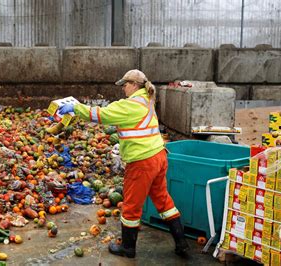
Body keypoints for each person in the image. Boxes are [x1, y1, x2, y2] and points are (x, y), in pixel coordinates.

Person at [58, 69, 189, 258]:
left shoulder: (132, 105)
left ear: (134, 85)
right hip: (158, 156)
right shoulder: (147, 99)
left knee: (131, 205)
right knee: (163, 200)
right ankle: (181, 243)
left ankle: (128, 248)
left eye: (125, 85)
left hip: (142, 161)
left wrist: (76, 108)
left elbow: (102, 115)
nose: (123, 89)